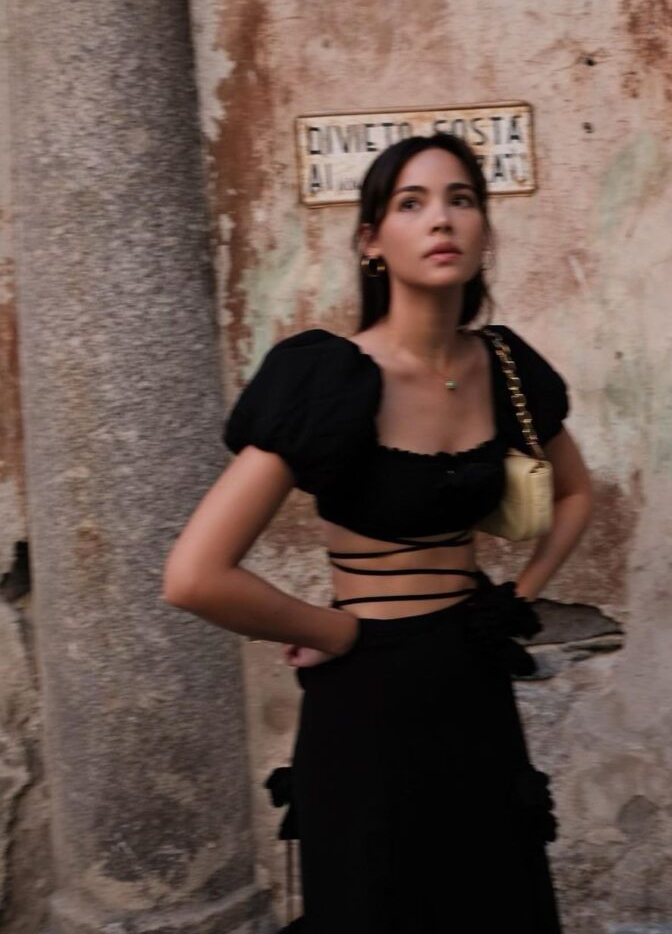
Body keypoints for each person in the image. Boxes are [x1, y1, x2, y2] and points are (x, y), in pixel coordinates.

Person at [163, 132, 593, 933]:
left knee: (494, 901)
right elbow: (194, 574)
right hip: (364, 696)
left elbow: (573, 493)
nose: (442, 220)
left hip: (472, 678)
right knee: (376, 904)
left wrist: (516, 600)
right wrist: (330, 630)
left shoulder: (504, 366)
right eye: (411, 203)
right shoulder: (327, 380)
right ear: (371, 241)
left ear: (484, 230)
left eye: (461, 200)